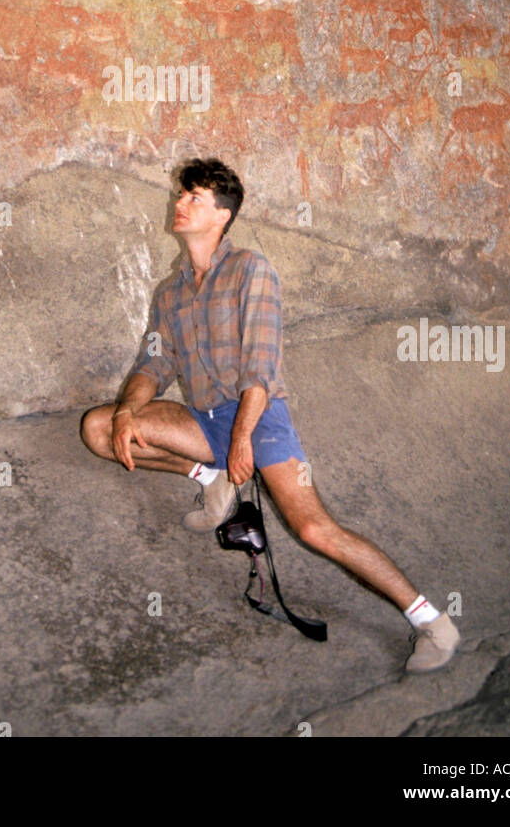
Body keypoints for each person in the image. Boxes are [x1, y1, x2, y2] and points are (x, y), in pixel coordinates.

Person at [80, 157, 460, 674]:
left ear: (222, 216)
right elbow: (155, 360)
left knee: (314, 529)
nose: (180, 204)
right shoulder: (169, 293)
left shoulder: (250, 270)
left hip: (259, 416)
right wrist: (128, 410)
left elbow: (259, 367)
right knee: (101, 428)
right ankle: (210, 478)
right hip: (203, 416)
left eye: (194, 198)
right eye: (181, 195)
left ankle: (433, 623)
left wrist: (243, 439)